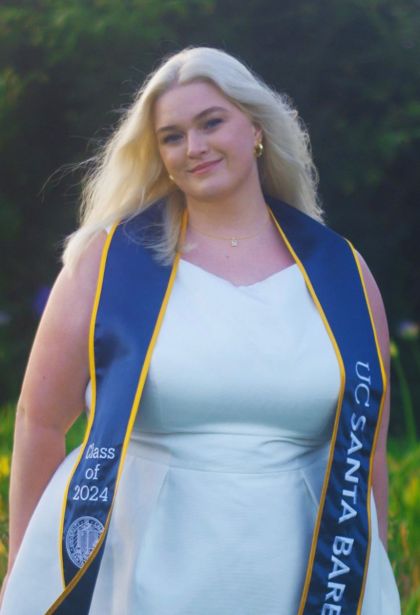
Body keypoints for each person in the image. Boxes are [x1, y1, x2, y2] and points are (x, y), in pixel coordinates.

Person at [0, 46, 401, 614]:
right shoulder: (108, 263)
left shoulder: (343, 273)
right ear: (158, 154)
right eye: (171, 136)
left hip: (304, 568)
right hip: (136, 567)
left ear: (256, 127)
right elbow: (39, 419)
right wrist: (24, 567)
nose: (194, 148)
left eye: (211, 122)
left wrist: (374, 566)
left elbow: (371, 444)